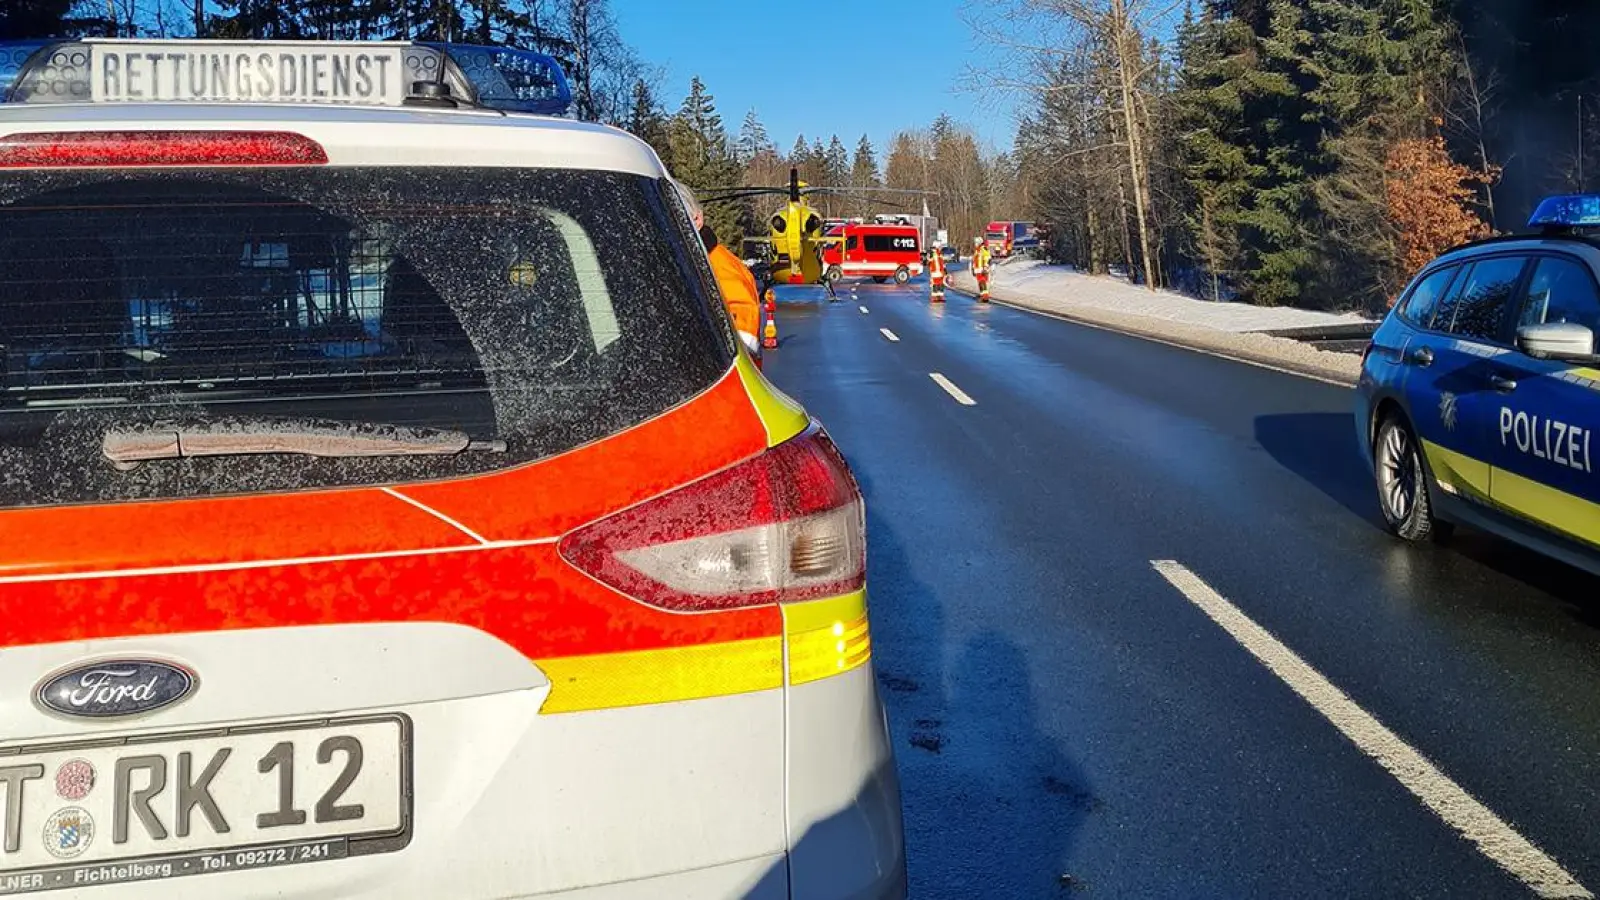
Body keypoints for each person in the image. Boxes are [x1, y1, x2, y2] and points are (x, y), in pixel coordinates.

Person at [675, 182, 761, 354]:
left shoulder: (721, 268)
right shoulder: (686, 265)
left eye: (677, 220)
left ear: (697, 219)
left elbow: (743, 336)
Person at [972, 237, 994, 303]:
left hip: (982, 270)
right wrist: (973, 269)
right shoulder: (977, 250)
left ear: (979, 242)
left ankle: (985, 297)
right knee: (980, 283)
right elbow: (975, 260)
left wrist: (985, 268)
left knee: (982, 282)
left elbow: (988, 259)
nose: (975, 244)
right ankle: (983, 296)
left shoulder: (983, 248)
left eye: (976, 242)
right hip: (978, 270)